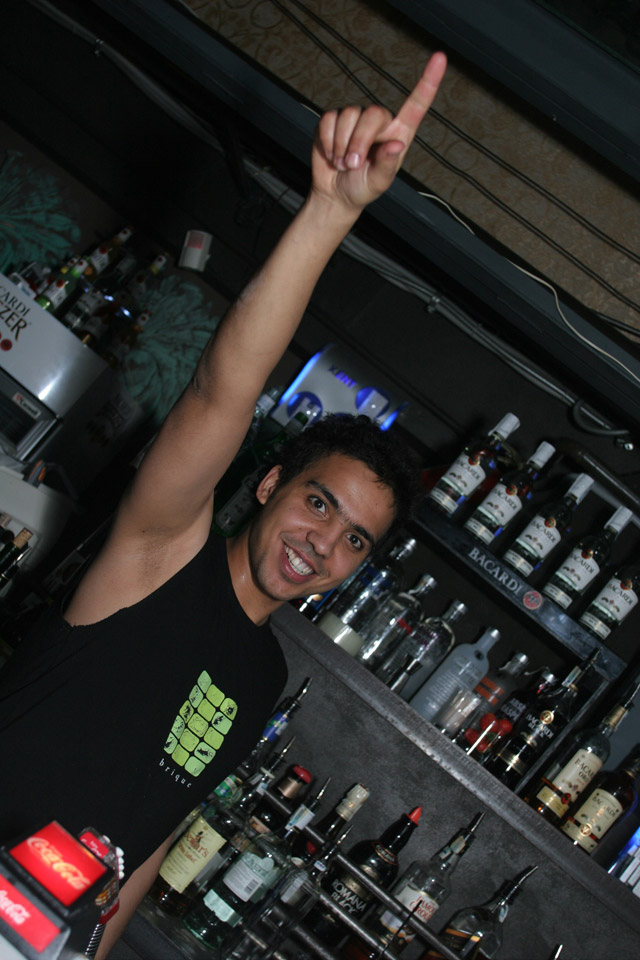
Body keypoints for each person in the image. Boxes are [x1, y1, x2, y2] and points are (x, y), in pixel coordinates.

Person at [0, 52, 447, 955]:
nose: (323, 543)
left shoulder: (262, 677)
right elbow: (220, 390)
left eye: (354, 540)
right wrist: (329, 214)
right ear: (271, 483)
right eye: (318, 502)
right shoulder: (164, 548)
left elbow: (148, 837)